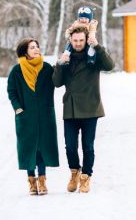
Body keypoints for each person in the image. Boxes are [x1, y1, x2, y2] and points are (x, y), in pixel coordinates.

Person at [52, 26, 114, 193]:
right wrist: (60, 63)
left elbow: (110, 65)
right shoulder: (66, 57)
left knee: (88, 146)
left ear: (86, 40)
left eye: (81, 40)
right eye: (75, 40)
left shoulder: (93, 56)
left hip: (90, 108)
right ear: (70, 41)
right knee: (70, 147)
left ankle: (86, 177)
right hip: (71, 109)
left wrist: (98, 47)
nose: (78, 43)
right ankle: (74, 172)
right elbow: (56, 83)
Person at [7, 37, 59, 196]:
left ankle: (42, 181)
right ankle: (31, 181)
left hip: (45, 115)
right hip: (26, 116)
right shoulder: (17, 71)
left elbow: (57, 82)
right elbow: (12, 91)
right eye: (32, 47)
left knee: (42, 147)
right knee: (29, 148)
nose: (36, 49)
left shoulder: (47, 68)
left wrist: (60, 68)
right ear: (25, 52)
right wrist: (17, 108)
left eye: (37, 46)